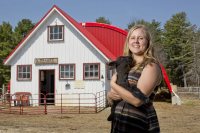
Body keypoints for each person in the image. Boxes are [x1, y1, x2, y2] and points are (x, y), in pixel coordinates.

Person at [107, 24, 162, 133]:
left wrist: (113, 85)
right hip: (120, 123)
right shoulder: (124, 64)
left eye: (140, 38)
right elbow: (115, 95)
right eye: (132, 38)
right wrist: (109, 95)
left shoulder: (151, 66)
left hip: (138, 124)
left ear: (148, 42)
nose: (136, 41)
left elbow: (137, 100)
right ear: (128, 42)